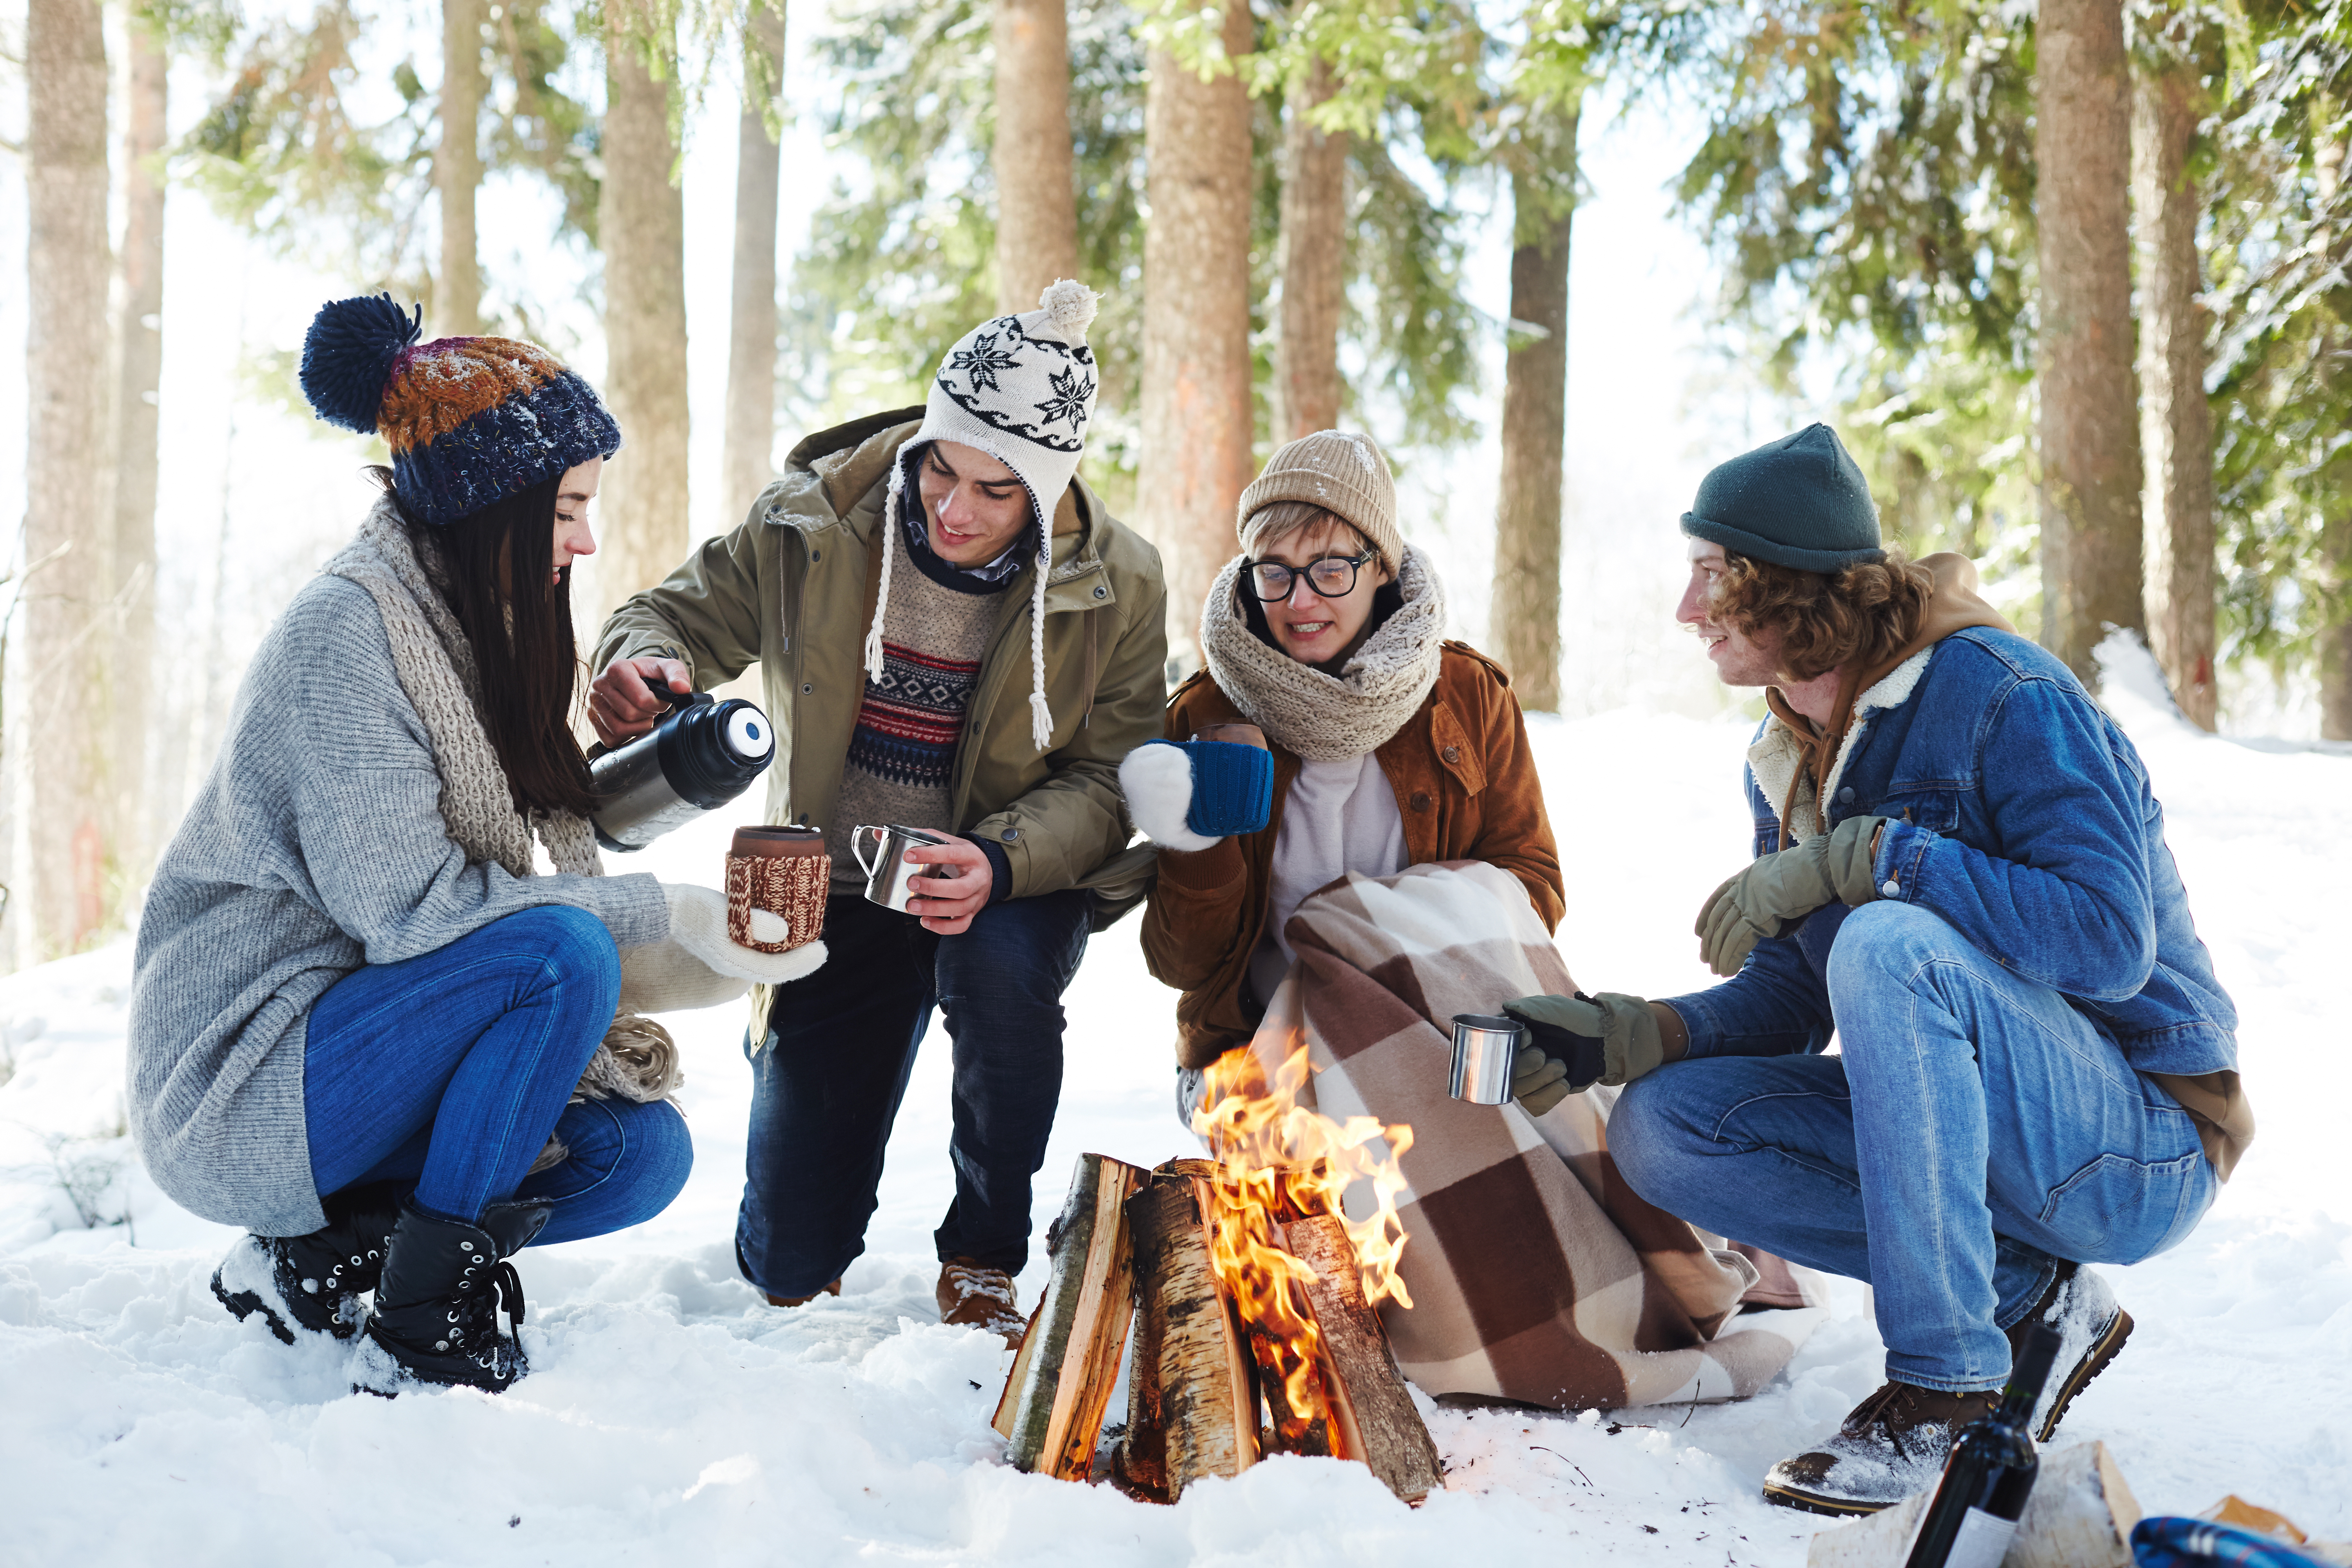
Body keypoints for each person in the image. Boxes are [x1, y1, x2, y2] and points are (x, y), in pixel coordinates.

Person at [1504, 423, 2252, 1511]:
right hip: (2002, 1140)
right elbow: (1797, 998)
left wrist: (1876, 859)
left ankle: (1945, 1391)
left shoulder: (2004, 695)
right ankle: (2023, 1299)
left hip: (2138, 1138)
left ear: (1790, 589)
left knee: (1891, 940)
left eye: (1714, 576)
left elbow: (2108, 941)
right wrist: (1635, 1034)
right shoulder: (1788, 755)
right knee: (1664, 1127)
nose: (1686, 610)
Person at [129, 296, 820, 1395]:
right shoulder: (345, 639)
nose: (588, 540)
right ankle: (426, 1311)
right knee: (564, 957)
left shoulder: (468, 631)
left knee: (639, 1159)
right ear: (491, 506)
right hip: (244, 1078)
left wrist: (646, 793)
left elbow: (526, 847)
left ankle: (313, 1262)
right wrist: (670, 915)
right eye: (567, 511)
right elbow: (426, 917)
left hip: (358, 1043)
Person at [588, 283, 1166, 1343]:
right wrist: (645, 662)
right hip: (832, 879)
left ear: (1045, 493)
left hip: (1004, 874)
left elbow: (1109, 778)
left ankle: (985, 1257)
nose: (952, 507)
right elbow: (668, 614)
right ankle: (804, 1249)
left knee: (1001, 992)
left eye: (995, 492)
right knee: (789, 1256)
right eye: (939, 468)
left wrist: (999, 862)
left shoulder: (1118, 583)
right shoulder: (811, 523)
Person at [1124, 429, 1564, 1084]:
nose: (1301, 601)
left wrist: (1375, 934)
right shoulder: (1206, 712)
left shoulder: (1468, 697)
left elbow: (1535, 889)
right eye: (1275, 571)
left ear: (1381, 566)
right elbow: (1181, 968)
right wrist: (1198, 843)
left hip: (1428, 1038)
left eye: (1331, 569)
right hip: (1254, 1057)